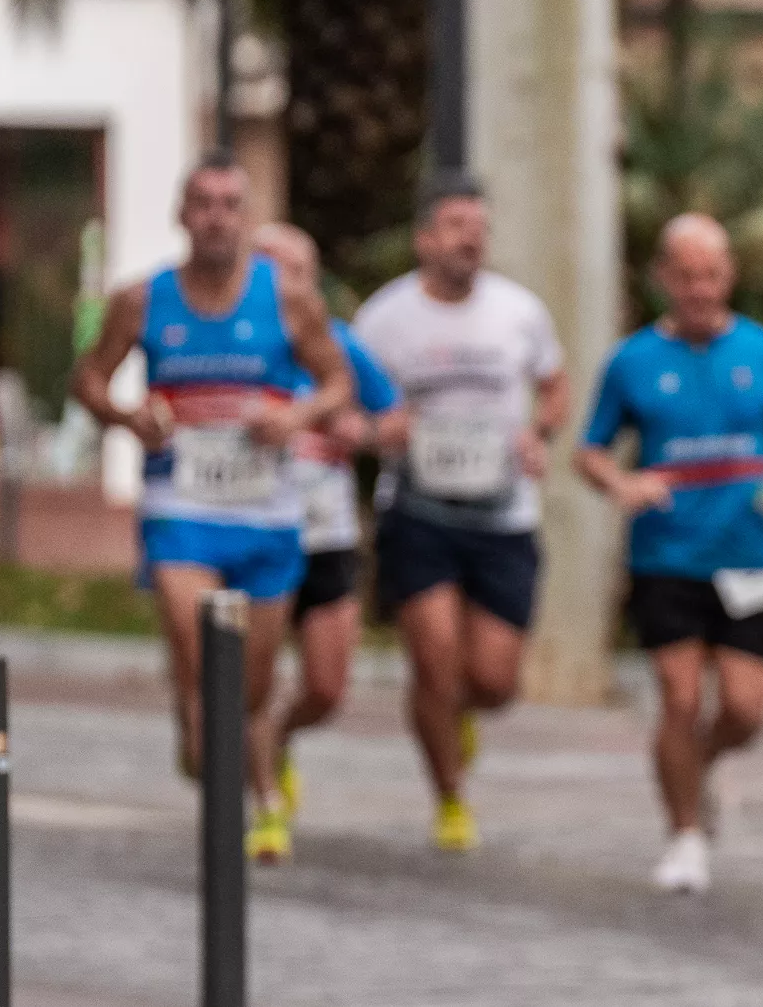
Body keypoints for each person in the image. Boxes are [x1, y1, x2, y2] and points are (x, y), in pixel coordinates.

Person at [68, 157, 355, 862]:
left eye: (231, 204)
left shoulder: (288, 300)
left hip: (267, 517)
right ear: (181, 214)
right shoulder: (142, 300)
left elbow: (337, 381)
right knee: (204, 669)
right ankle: (225, 769)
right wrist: (128, 416)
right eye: (203, 203)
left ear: (247, 218)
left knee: (251, 690)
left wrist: (296, 419)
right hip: (181, 511)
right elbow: (89, 381)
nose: (217, 217)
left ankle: (227, 754)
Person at [575, 214, 763, 894]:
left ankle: (699, 764)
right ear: (663, 279)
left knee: (745, 710)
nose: (700, 289)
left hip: (754, 556)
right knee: (678, 699)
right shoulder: (631, 362)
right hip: (668, 558)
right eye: (686, 276)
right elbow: (587, 451)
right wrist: (623, 482)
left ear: (729, 276)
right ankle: (684, 835)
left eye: (711, 275)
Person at [353, 172, 571, 853]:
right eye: (455, 225)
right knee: (434, 657)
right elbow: (348, 401)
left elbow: (555, 387)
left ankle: (460, 716)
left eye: (479, 226)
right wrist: (376, 430)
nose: (470, 237)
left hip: (503, 514)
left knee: (495, 681)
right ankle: (450, 797)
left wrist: (540, 433)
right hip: (419, 512)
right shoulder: (385, 319)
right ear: (424, 240)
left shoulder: (520, 312)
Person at [250, 223, 406, 825]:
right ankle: (265, 805)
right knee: (253, 682)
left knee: (327, 687)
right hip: (256, 533)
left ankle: (282, 737)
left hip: (326, 533)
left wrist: (361, 433)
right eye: (271, 270)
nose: (285, 284)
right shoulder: (232, 345)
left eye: (297, 272)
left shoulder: (338, 344)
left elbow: (396, 421)